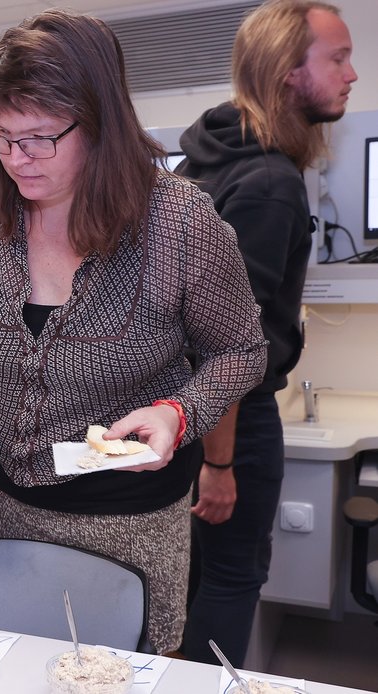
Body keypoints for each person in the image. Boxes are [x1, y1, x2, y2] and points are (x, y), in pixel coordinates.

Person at [0, 9, 268, 655]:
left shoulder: (177, 220)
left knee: (113, 668)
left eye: (38, 138)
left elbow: (241, 350)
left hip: (127, 512)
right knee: (8, 661)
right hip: (6, 508)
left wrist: (179, 412)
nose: (14, 159)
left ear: (101, 124)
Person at [176, 0, 356, 666]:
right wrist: (220, 465)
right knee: (232, 574)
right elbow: (223, 344)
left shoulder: (208, 156)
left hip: (181, 414)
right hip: (232, 418)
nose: (352, 74)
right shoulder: (270, 183)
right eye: (337, 58)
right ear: (287, 71)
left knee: (192, 576)